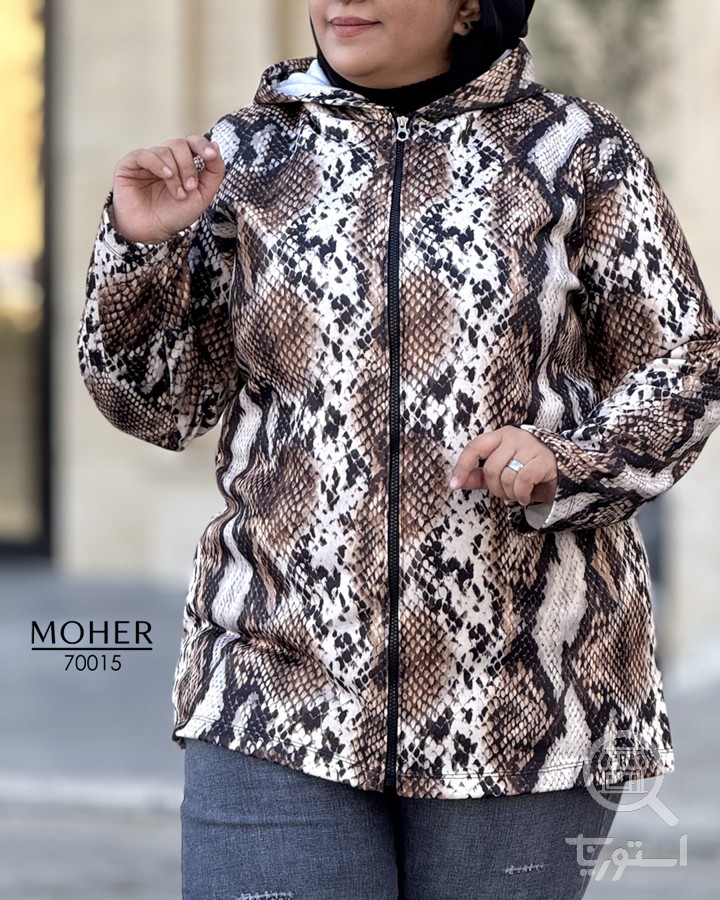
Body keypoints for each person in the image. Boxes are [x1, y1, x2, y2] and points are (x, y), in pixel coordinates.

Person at [77, 1, 720, 898]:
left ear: (468, 7)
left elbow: (684, 364)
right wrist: (138, 250)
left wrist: (569, 461)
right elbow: (156, 406)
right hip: (276, 685)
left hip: (524, 700)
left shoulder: (577, 151)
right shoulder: (247, 157)